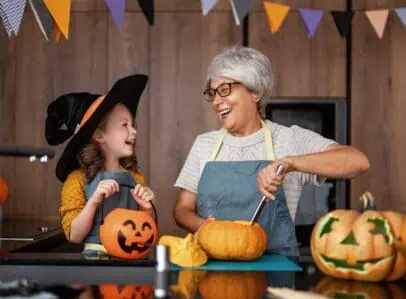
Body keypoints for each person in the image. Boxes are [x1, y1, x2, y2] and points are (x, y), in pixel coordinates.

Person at [173, 46, 370, 258]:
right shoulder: (204, 144)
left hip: (276, 272)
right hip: (211, 266)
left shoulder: (289, 140)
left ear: (256, 91)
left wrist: (290, 164)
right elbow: (182, 210)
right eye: (212, 93)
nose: (216, 101)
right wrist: (210, 230)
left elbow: (358, 161)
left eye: (225, 89)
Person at [45, 75, 156, 257]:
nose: (133, 130)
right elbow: (74, 236)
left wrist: (147, 208)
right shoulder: (77, 180)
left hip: (131, 264)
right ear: (100, 136)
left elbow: (147, 236)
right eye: (124, 125)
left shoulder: (135, 179)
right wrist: (94, 201)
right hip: (95, 266)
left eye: (133, 125)